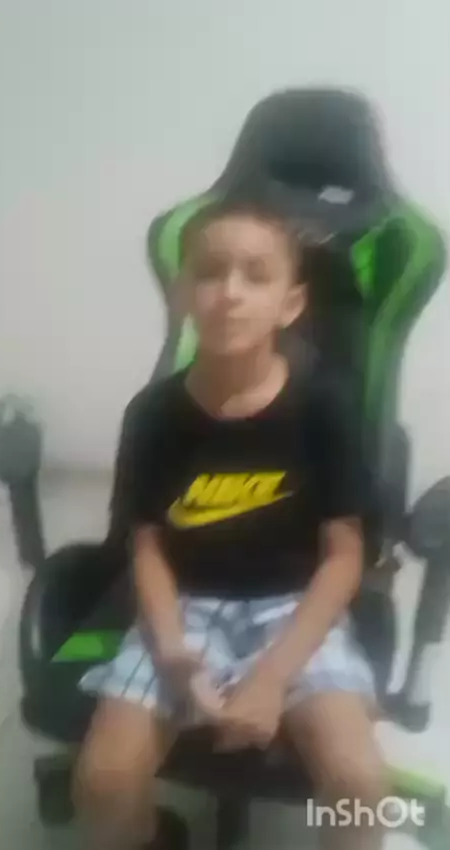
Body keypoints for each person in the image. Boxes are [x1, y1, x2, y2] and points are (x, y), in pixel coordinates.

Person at [74, 186, 387, 850]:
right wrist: (174, 654)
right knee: (102, 783)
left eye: (256, 275)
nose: (230, 293)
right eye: (210, 272)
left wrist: (272, 677)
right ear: (181, 295)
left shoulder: (325, 407)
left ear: (290, 304)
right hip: (185, 605)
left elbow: (345, 555)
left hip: (294, 603)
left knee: (360, 784)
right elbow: (146, 547)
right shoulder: (152, 415)